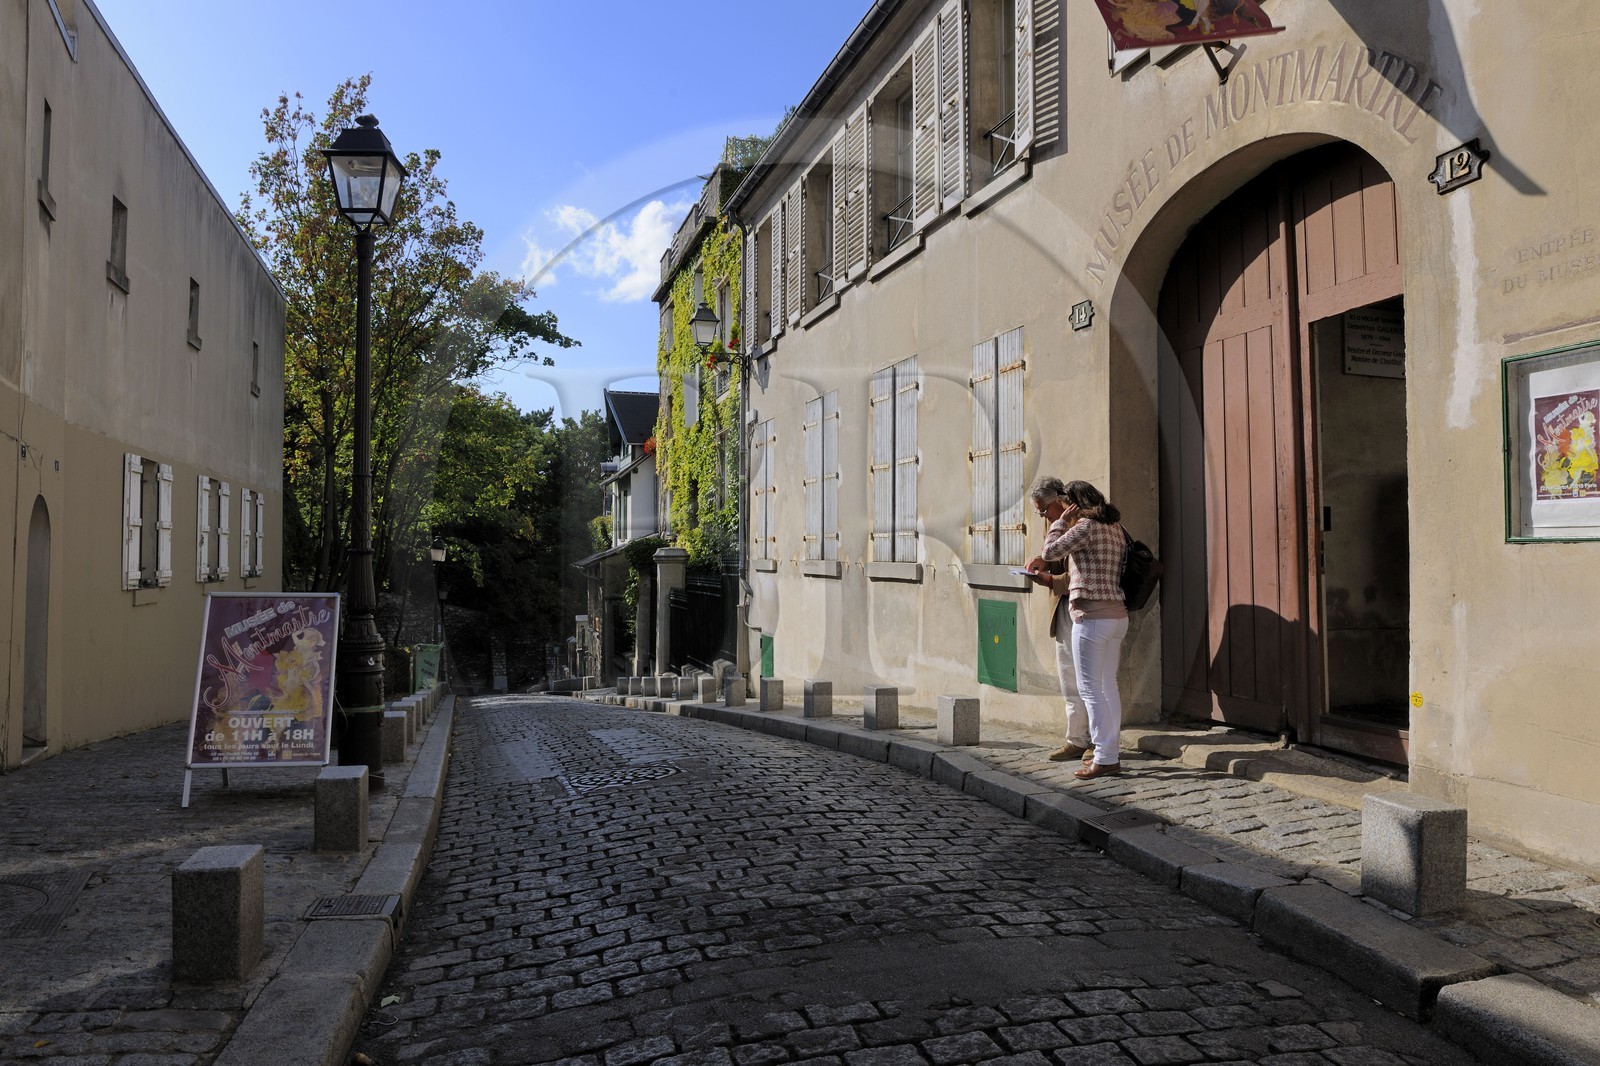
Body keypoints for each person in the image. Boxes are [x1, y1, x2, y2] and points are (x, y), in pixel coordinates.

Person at [1025, 477, 1129, 779]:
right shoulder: (1115, 528)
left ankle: (1104, 757)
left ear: (1074, 504)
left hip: (1092, 616)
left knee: (1090, 689)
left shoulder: (1084, 527)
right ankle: (1109, 751)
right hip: (1117, 615)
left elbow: (1049, 553)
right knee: (1108, 686)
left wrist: (1061, 521)